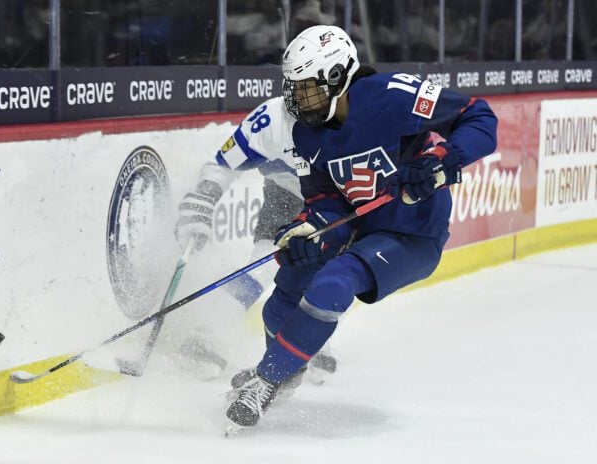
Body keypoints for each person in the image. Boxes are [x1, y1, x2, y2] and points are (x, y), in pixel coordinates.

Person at [225, 24, 498, 428]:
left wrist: (441, 161)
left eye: (306, 87)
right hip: (359, 228)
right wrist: (308, 231)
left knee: (332, 284)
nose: (296, 98)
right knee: (281, 301)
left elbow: (478, 115)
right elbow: (325, 201)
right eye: (293, 87)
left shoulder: (393, 96)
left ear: (337, 77)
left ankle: (267, 380)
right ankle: (286, 370)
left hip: (413, 234)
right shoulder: (307, 133)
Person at [175, 96, 338, 379]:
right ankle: (205, 333)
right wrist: (205, 196)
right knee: (266, 261)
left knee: (333, 272)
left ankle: (307, 337)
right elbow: (224, 163)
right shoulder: (269, 121)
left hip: (338, 201)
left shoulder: (354, 116)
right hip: (288, 193)